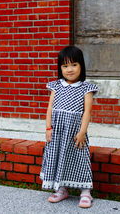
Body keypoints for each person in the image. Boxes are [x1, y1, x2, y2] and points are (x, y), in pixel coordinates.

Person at [40, 46, 98, 208]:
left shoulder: (86, 88)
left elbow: (87, 113)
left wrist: (82, 132)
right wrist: (48, 128)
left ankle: (85, 192)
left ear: (81, 66)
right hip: (57, 131)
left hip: (75, 132)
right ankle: (62, 188)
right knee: (58, 157)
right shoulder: (56, 86)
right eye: (65, 66)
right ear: (60, 68)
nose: (69, 70)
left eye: (73, 65)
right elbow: (50, 108)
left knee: (80, 159)